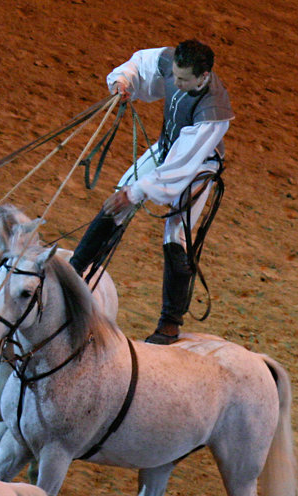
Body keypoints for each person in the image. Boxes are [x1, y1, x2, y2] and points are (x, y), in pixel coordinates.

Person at [70, 40, 234, 344]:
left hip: (197, 164)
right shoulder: (172, 64)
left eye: (184, 80)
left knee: (176, 234)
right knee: (116, 200)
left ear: (204, 76)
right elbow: (142, 65)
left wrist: (136, 192)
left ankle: (170, 322)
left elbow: (183, 163)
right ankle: (72, 273)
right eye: (175, 76)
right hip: (167, 148)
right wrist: (123, 82)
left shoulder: (214, 111)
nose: (176, 83)